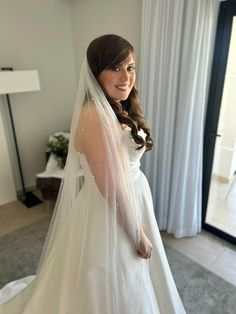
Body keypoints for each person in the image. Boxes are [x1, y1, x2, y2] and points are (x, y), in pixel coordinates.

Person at [0, 34, 185, 313]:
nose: (126, 76)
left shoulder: (114, 106)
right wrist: (137, 235)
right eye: (115, 67)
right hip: (112, 206)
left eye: (130, 67)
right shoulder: (95, 116)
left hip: (130, 196)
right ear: (96, 72)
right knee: (116, 279)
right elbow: (111, 187)